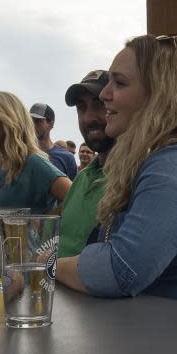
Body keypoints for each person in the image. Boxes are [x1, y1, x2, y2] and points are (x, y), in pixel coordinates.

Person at [55, 34, 177, 313]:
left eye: (120, 83)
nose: (104, 95)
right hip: (161, 341)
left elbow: (119, 270)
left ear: (161, 95)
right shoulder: (155, 160)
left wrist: (47, 265)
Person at [0, 92, 70, 213]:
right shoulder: (5, 162)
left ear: (8, 119)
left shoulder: (33, 162)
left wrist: (44, 225)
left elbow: (76, 197)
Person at [58, 70, 114, 257]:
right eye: (81, 107)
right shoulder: (82, 177)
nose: (88, 117)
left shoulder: (138, 178)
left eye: (99, 104)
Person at [31, 103, 78, 178]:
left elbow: (74, 188)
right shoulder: (24, 154)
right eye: (30, 120)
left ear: (50, 124)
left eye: (38, 121)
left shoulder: (67, 157)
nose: (33, 125)